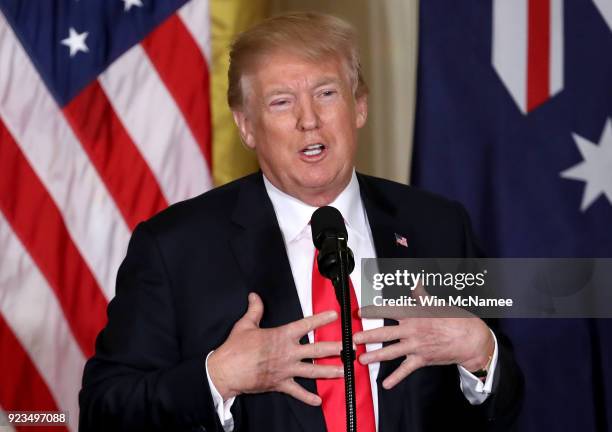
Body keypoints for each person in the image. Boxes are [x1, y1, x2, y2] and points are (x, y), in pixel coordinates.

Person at [79, 12, 522, 432]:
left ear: (360, 108)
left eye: (326, 94)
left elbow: (505, 404)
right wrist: (217, 377)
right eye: (281, 102)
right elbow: (105, 409)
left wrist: (481, 353)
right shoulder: (176, 248)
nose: (308, 120)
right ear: (247, 126)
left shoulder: (438, 227)